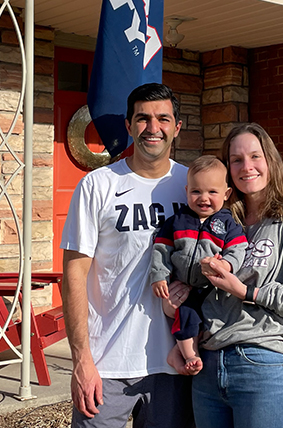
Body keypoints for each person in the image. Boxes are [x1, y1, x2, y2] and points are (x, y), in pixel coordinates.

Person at [180, 123, 283, 428]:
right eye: (236, 160)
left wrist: (248, 292)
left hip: (265, 364)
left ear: (271, 162)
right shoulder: (217, 222)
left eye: (255, 156)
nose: (246, 166)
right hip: (208, 368)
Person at [60, 83, 195, 427]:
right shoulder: (98, 185)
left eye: (163, 119)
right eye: (143, 118)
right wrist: (81, 361)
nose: (153, 128)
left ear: (177, 127)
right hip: (106, 366)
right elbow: (74, 275)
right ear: (128, 125)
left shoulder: (192, 186)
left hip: (175, 364)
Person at [149, 155, 248, 375]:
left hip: (212, 286)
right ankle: (189, 354)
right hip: (183, 284)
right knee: (187, 315)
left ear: (226, 194)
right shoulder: (177, 221)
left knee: (209, 318)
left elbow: (238, 249)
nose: (204, 198)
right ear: (186, 191)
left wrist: (226, 266)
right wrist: (159, 276)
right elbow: (162, 249)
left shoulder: (228, 223)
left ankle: (179, 351)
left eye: (212, 192)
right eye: (196, 192)